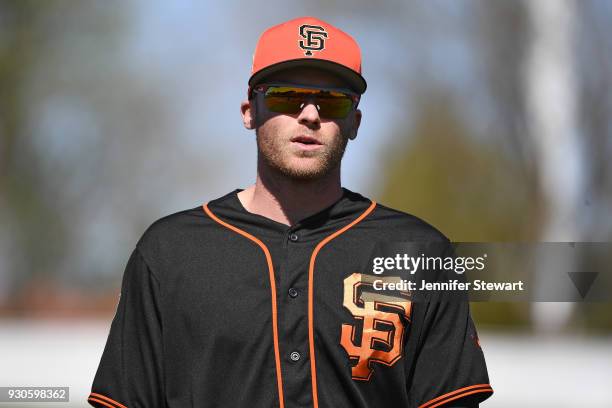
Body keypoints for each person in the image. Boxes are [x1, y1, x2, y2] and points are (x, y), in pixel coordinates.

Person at [88, 16, 493, 408]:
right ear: (250, 111)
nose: (310, 114)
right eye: (285, 95)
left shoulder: (420, 252)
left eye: (332, 101)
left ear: (354, 121)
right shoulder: (169, 252)